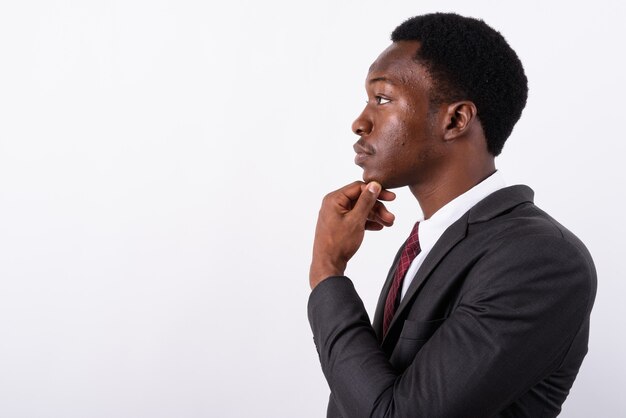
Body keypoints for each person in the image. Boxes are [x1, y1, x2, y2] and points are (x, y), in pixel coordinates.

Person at [308, 13, 597, 418]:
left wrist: (327, 272)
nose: (360, 122)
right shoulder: (429, 245)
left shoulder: (540, 258)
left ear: (456, 120)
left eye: (383, 99)